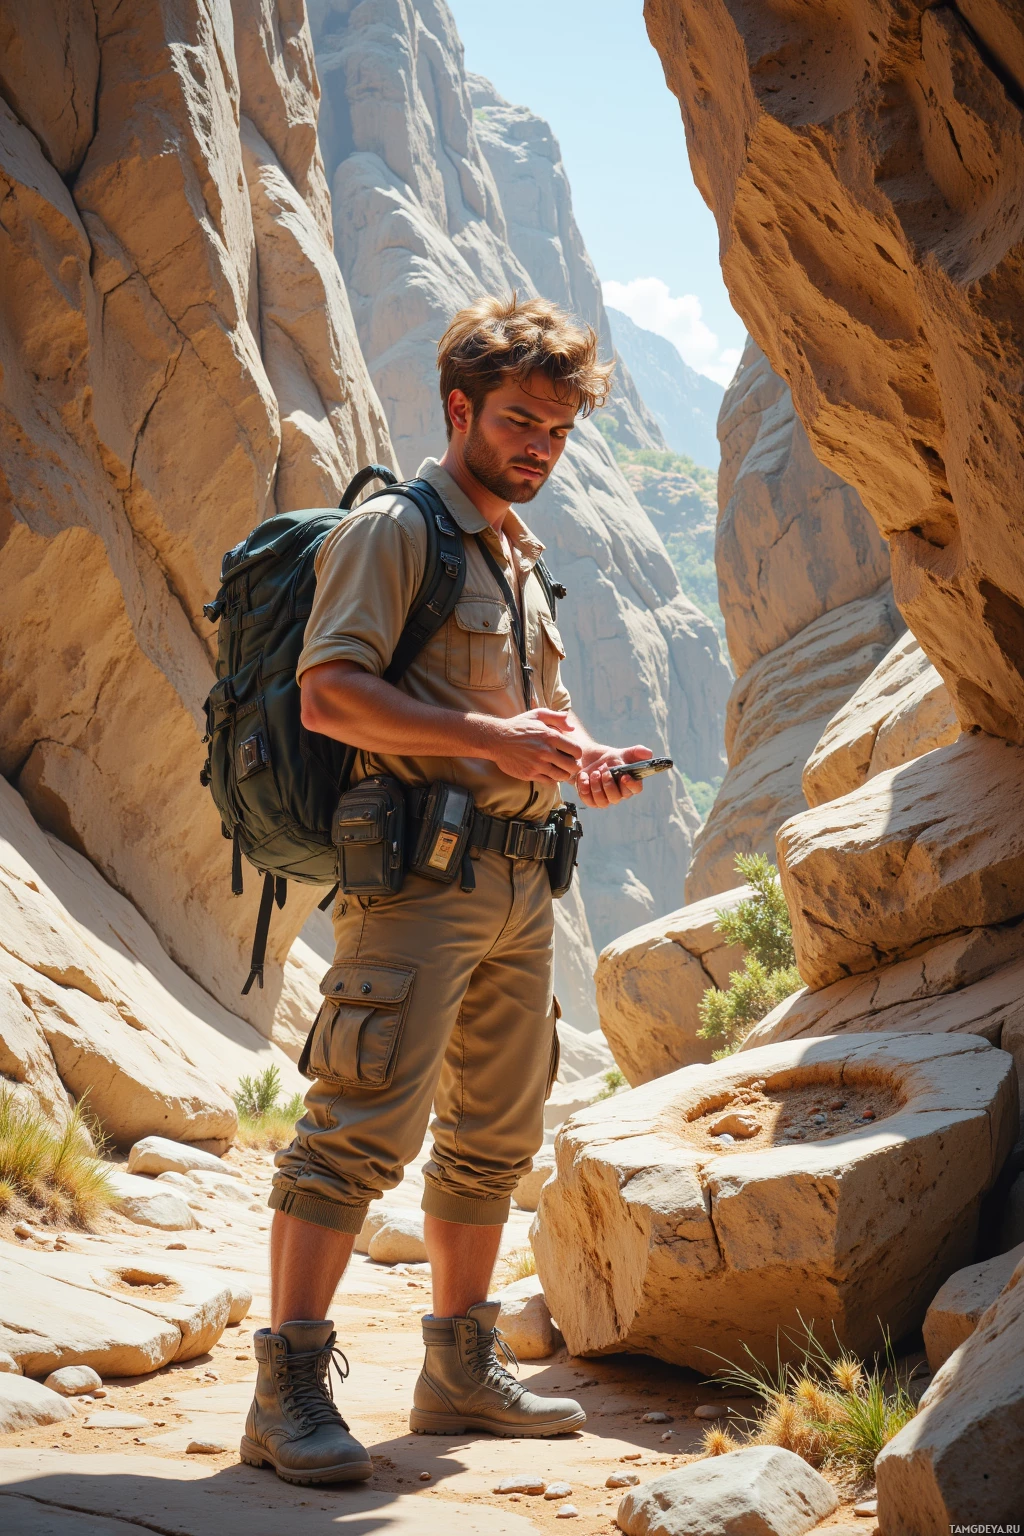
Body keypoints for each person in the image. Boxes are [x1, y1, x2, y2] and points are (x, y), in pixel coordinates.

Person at [241, 293, 653, 1485]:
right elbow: (330, 695)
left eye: (559, 431)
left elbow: (506, 730)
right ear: (460, 407)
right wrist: (496, 736)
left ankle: (458, 1371)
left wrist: (574, 760)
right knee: (354, 1127)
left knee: (493, 1137)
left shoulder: (515, 555)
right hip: (416, 883)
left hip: (524, 882)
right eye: (522, 421)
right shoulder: (396, 531)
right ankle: (287, 1390)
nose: (541, 447)